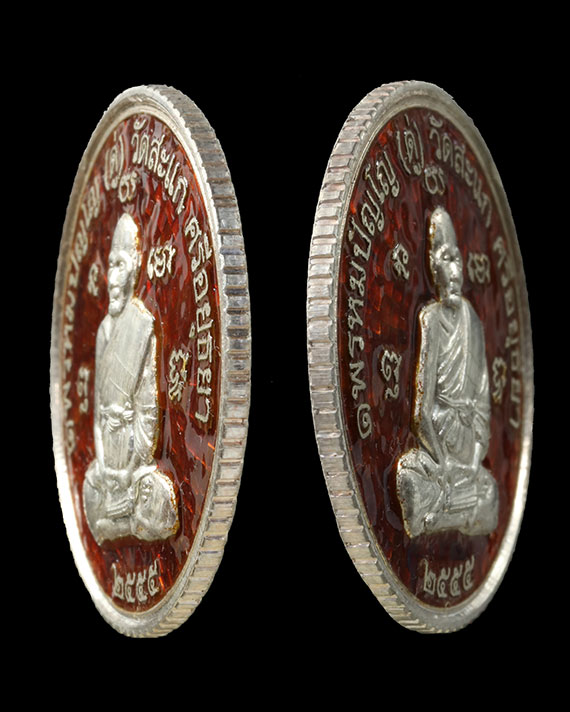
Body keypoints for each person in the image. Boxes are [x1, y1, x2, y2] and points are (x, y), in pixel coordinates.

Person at [396, 207, 498, 538]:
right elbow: (422, 412)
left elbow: (482, 405)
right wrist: (441, 462)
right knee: (410, 477)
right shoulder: (432, 318)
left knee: (491, 493)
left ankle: (442, 514)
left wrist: (474, 459)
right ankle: (453, 510)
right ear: (432, 267)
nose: (453, 271)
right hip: (439, 438)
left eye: (457, 260)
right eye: (445, 260)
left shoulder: (474, 323)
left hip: (468, 446)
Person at [83, 213, 178, 544]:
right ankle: (115, 522)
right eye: (110, 266)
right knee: (90, 487)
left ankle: (125, 521)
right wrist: (105, 466)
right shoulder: (103, 332)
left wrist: (126, 471)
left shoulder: (141, 326)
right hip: (107, 463)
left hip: (133, 463)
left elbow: (147, 414)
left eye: (120, 266)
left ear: (135, 269)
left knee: (158, 503)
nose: (112, 278)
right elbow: (97, 415)